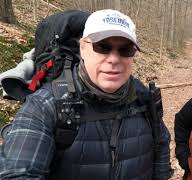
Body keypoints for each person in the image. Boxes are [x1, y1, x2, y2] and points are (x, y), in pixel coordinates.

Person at [0, 9, 172, 180]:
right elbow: (18, 172)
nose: (113, 59)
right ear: (83, 47)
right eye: (102, 47)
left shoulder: (142, 97)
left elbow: (161, 143)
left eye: (125, 50)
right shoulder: (45, 105)